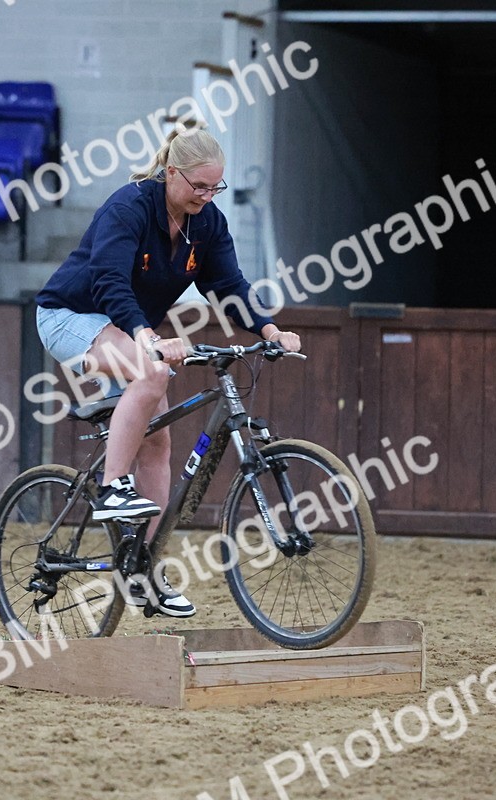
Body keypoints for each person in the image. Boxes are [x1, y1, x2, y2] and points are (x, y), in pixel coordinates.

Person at [34, 125, 301, 617]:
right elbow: (109, 281)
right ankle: (114, 486)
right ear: (171, 172)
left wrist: (268, 330)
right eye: (198, 186)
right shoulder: (129, 207)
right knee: (153, 372)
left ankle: (142, 568)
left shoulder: (208, 223)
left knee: (159, 438)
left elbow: (228, 287)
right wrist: (147, 337)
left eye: (214, 187)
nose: (206, 196)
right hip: (68, 317)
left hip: (125, 328)